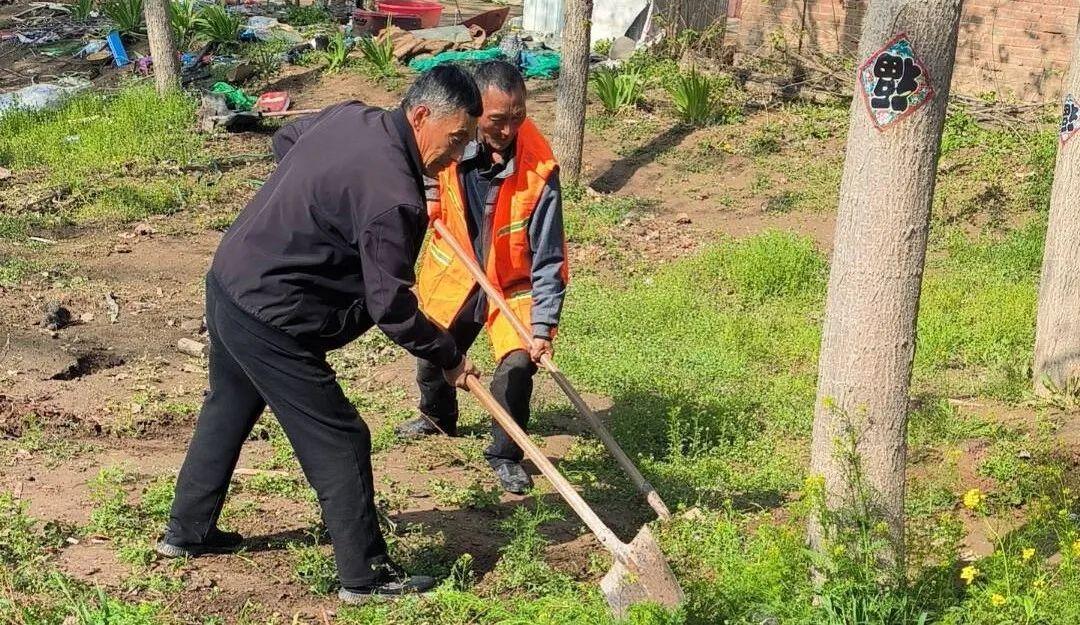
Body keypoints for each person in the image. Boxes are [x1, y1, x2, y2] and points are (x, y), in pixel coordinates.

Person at [155, 65, 483, 604]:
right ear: (421, 115)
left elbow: (288, 138)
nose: (457, 155)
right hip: (271, 317)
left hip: (230, 282)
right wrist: (447, 355)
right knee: (341, 438)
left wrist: (327, 197)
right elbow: (392, 309)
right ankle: (366, 575)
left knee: (229, 408)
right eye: (456, 139)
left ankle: (187, 533)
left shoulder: (351, 116)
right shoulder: (394, 197)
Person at [396, 61, 568, 495]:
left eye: (518, 117)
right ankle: (437, 416)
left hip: (512, 287)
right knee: (433, 351)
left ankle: (505, 454)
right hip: (455, 270)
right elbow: (416, 170)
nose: (508, 130)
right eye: (496, 120)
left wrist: (543, 327)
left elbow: (549, 259)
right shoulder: (450, 137)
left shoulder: (540, 171)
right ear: (474, 112)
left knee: (514, 369)